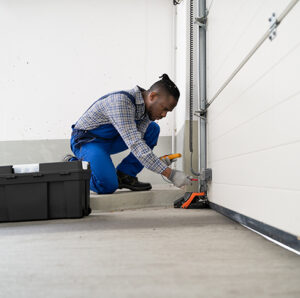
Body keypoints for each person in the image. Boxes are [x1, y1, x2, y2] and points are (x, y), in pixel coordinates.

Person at [65, 74, 192, 194]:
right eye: (164, 108)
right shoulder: (121, 102)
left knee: (152, 129)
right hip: (88, 141)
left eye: (168, 111)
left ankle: (125, 175)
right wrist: (170, 174)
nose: (164, 115)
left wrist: (157, 162)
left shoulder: (146, 111)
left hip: (110, 140)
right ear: (152, 96)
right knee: (107, 185)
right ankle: (72, 165)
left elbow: (140, 143)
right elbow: (136, 145)